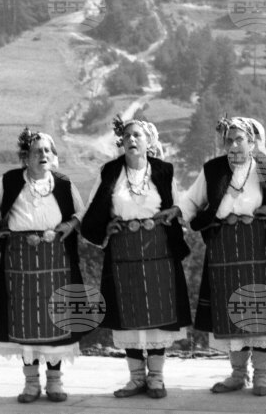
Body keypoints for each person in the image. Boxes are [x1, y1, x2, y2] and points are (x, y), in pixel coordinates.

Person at [160, 116, 266, 397]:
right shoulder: (213, 169)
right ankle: (237, 374)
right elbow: (192, 199)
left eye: (239, 140)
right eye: (229, 140)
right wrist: (178, 210)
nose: (233, 145)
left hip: (259, 245)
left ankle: (263, 375)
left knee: (261, 311)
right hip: (224, 247)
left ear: (252, 142)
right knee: (232, 311)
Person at [0, 128, 84, 403]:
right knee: (24, 319)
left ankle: (54, 382)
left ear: (53, 155)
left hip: (56, 261)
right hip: (19, 261)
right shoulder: (10, 181)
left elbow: (82, 212)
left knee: (56, 318)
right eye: (36, 151)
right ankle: (31, 384)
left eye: (47, 150)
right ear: (25, 157)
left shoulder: (63, 184)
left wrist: (70, 224)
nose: (43, 155)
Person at [81, 116, 191, 399]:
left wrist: (174, 216)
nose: (131, 139)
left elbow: (178, 205)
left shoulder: (163, 171)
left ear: (148, 141)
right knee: (127, 314)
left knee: (159, 314)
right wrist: (104, 228)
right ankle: (136, 378)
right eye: (127, 135)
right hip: (123, 251)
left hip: (158, 251)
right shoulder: (110, 172)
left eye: (137, 135)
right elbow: (94, 208)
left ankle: (156, 379)